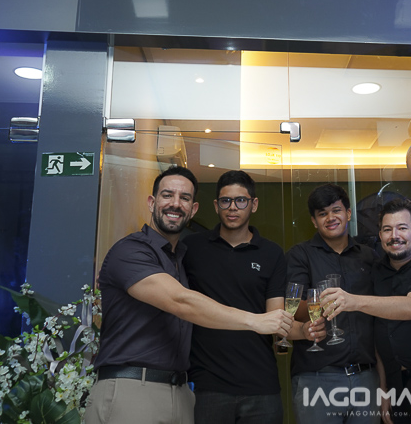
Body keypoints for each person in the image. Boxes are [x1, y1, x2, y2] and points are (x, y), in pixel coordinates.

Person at [86, 166, 294, 424]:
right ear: (151, 202)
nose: (175, 203)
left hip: (181, 392)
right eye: (167, 195)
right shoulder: (130, 250)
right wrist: (255, 320)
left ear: (194, 209)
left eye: (184, 198)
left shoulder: (180, 258)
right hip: (132, 387)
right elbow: (180, 301)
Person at [182, 170, 325, 424]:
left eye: (241, 200)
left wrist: (304, 331)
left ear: (254, 204)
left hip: (261, 386)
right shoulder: (192, 248)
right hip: (207, 385)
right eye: (225, 201)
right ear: (216, 205)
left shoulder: (271, 253)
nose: (232, 207)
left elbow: (276, 318)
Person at [321, 198, 411, 424]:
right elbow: (379, 330)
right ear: (380, 236)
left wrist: (353, 301)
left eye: (402, 228)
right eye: (387, 229)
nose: (394, 236)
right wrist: (384, 389)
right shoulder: (378, 270)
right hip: (398, 381)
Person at [285, 183, 381, 424]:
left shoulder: (369, 256)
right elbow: (292, 308)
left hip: (366, 377)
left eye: (336, 210)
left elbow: (380, 308)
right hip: (317, 377)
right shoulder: (300, 255)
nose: (330, 218)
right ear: (314, 221)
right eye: (322, 213)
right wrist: (324, 304)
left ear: (348, 213)